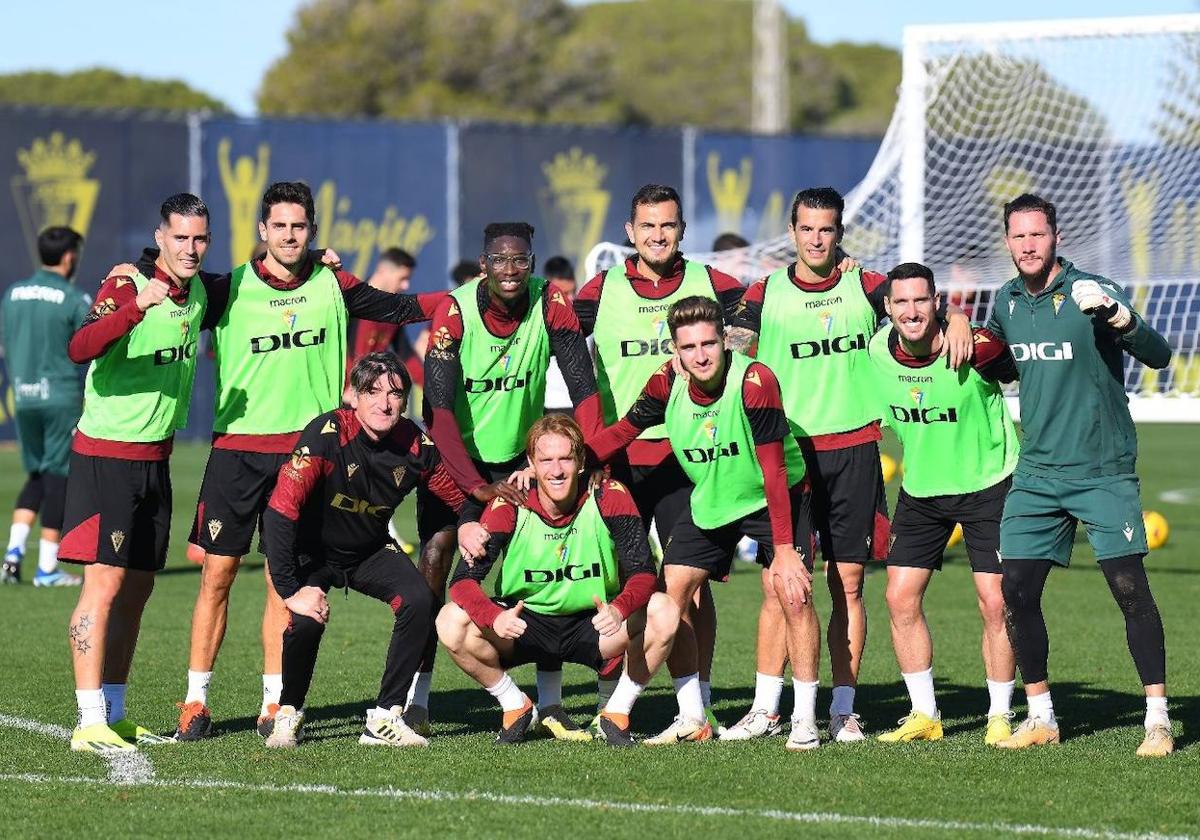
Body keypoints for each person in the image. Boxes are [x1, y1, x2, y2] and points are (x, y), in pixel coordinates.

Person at [174, 181, 447, 742]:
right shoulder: (228, 289)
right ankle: (195, 701)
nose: (290, 235)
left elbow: (400, 306)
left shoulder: (333, 282)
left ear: (313, 232)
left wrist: (463, 298)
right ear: (262, 231)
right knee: (217, 575)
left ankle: (275, 704)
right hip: (237, 452)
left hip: (310, 451)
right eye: (280, 226)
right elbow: (172, 294)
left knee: (286, 582)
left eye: (299, 226)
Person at [724, 186, 973, 742]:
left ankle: (841, 708)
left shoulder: (867, 286)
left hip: (855, 451)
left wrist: (956, 315)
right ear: (792, 232)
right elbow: (729, 353)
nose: (817, 239)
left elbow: (919, 305)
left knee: (848, 586)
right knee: (777, 586)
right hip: (787, 454)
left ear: (840, 234)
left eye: (828, 229)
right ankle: (767, 707)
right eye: (807, 229)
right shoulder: (764, 293)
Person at [985, 193, 1174, 757]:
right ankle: (1041, 714)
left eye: (1037, 235)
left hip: (1101, 469)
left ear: (1056, 238)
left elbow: (1159, 354)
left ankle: (1158, 719)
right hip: (1038, 471)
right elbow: (997, 359)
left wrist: (1120, 317)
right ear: (1008, 241)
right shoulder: (1008, 301)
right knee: (1014, 591)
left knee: (1128, 589)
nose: (1027, 246)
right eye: (1018, 236)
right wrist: (965, 340)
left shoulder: (1093, 291)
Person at [588, 297, 821, 750]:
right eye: (689, 346)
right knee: (668, 599)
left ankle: (801, 718)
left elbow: (772, 471)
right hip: (712, 499)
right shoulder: (665, 382)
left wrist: (786, 549)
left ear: (724, 340)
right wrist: (563, 462)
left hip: (772, 497)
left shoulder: (754, 381)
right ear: (675, 350)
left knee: (790, 591)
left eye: (709, 343)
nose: (700, 355)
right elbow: (621, 433)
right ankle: (687, 714)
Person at [574, 184, 745, 729]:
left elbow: (768, 321)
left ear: (682, 230)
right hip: (618, 460)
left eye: (667, 225)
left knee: (686, 585)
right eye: (647, 225)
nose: (657, 235)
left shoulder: (712, 284)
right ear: (629, 232)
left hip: (687, 460)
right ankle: (609, 700)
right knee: (610, 579)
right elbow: (547, 333)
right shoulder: (599, 290)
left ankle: (696, 703)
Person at [422, 222, 603, 738]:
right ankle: (415, 700)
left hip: (520, 464)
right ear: (483, 263)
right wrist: (474, 488)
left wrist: (593, 454)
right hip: (455, 461)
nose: (509, 270)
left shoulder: (552, 303)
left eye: (519, 260)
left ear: (532, 262)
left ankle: (547, 704)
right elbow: (437, 411)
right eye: (499, 260)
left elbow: (582, 386)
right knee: (436, 560)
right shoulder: (454, 312)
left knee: (545, 559)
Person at [60, 194, 213, 752]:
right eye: (181, 238)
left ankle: (116, 713)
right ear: (161, 237)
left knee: (139, 588)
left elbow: (271, 280)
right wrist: (136, 305)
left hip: (155, 460)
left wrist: (319, 258)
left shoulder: (198, 290)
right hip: (107, 459)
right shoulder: (126, 286)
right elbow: (80, 347)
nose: (191, 248)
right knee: (102, 586)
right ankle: (87, 719)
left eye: (200, 239)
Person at [261, 353, 462, 748]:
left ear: (406, 401)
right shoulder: (327, 433)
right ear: (353, 395)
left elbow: (456, 496)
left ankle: (386, 717)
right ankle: (288, 711)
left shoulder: (417, 444)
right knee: (305, 619)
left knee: (419, 599)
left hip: (368, 548)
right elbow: (280, 512)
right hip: (312, 552)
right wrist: (291, 590)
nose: (384, 403)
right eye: (373, 392)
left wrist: (473, 520)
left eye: (395, 394)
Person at [437, 414, 675, 745]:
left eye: (565, 458)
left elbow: (643, 572)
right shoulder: (510, 501)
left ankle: (616, 714)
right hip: (525, 625)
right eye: (546, 460)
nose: (557, 469)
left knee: (664, 609)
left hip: (592, 626)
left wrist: (620, 608)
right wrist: (495, 617)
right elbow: (462, 582)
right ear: (531, 465)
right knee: (450, 621)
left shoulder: (609, 494)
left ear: (580, 462)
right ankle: (515, 705)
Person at [867, 262, 1020, 745]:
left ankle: (999, 716)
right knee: (899, 597)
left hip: (988, 485)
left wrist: (963, 325)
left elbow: (1014, 368)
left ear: (937, 302)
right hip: (923, 490)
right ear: (887, 308)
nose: (912, 311)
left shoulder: (974, 348)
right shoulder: (877, 350)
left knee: (996, 602)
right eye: (901, 302)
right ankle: (924, 714)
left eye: (922, 300)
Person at [0, 226, 93, 586]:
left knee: (37, 474)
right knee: (58, 477)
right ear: (70, 256)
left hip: (24, 396)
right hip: (60, 397)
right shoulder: (72, 298)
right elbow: (93, 341)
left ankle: (13, 554)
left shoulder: (12, 295)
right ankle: (48, 568)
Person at [344, 248, 425, 404]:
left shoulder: (392, 309)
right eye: (402, 278)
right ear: (383, 271)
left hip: (371, 396)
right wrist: (344, 391)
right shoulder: (351, 301)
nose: (406, 285)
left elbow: (405, 354)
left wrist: (433, 390)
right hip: (345, 398)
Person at [542, 255, 578, 416]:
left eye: (572, 291)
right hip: (549, 405)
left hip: (580, 404)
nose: (569, 299)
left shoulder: (584, 314)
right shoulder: (537, 317)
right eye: (563, 293)